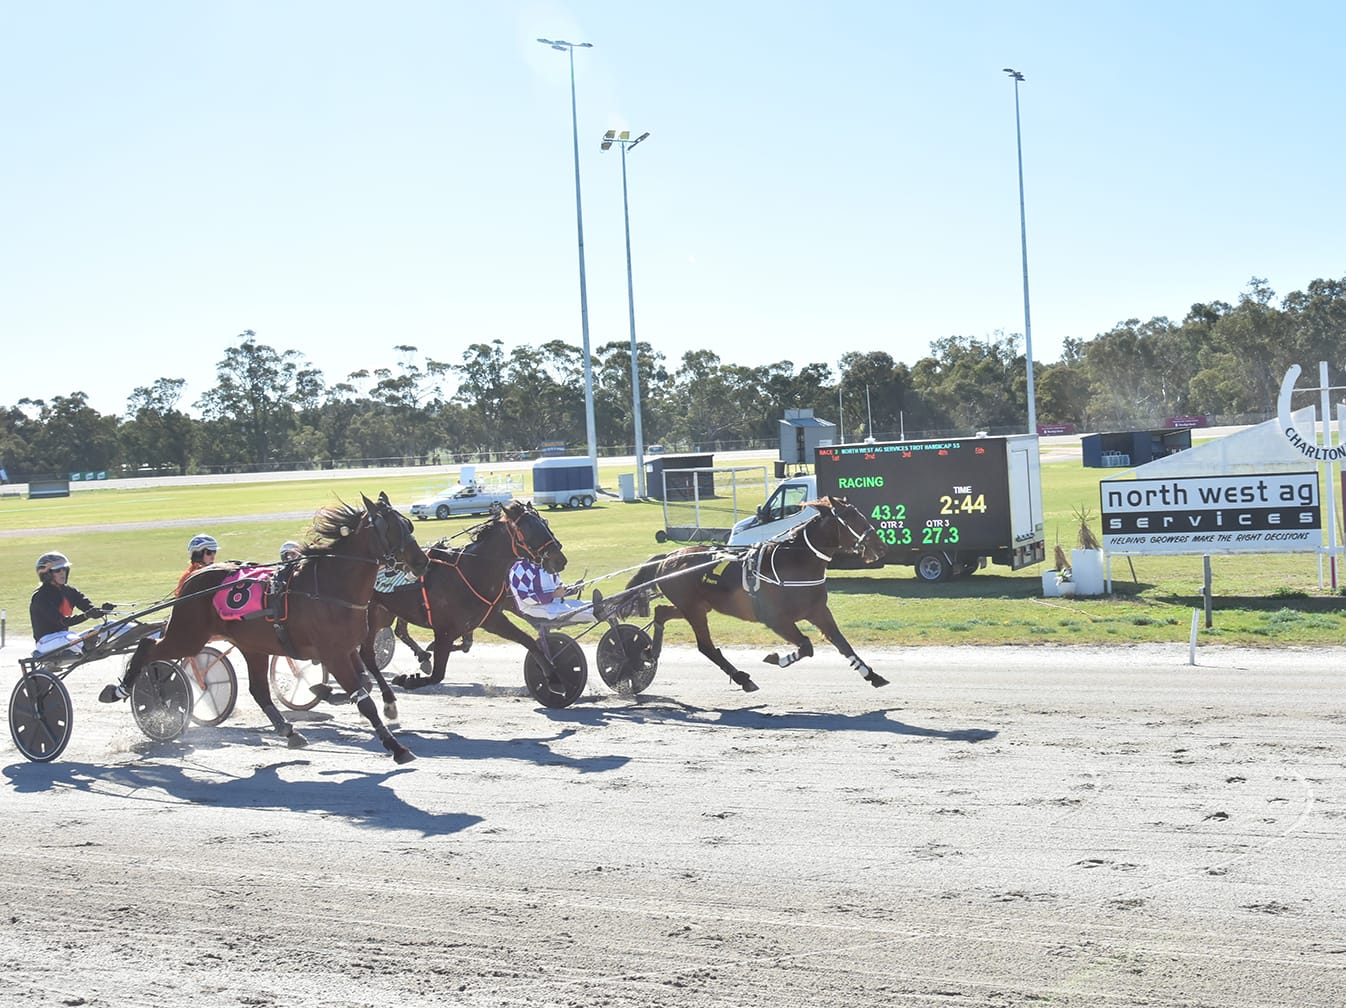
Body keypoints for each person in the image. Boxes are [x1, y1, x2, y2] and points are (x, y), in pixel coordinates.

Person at [30, 552, 114, 657]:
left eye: (64, 569)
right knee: (69, 637)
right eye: (57, 570)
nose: (62, 573)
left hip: (68, 638)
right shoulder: (40, 596)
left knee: (110, 625)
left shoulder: (70, 591)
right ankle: (88, 648)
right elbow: (63, 622)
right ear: (46, 574)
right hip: (46, 642)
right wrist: (86, 616)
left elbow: (89, 609)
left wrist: (103, 610)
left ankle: (138, 633)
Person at [507, 557, 588, 622]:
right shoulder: (520, 568)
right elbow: (525, 597)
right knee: (576, 610)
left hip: (553, 603)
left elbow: (559, 589)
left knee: (583, 605)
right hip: (532, 608)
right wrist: (553, 595)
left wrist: (574, 587)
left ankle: (598, 607)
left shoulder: (548, 564)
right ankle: (596, 611)